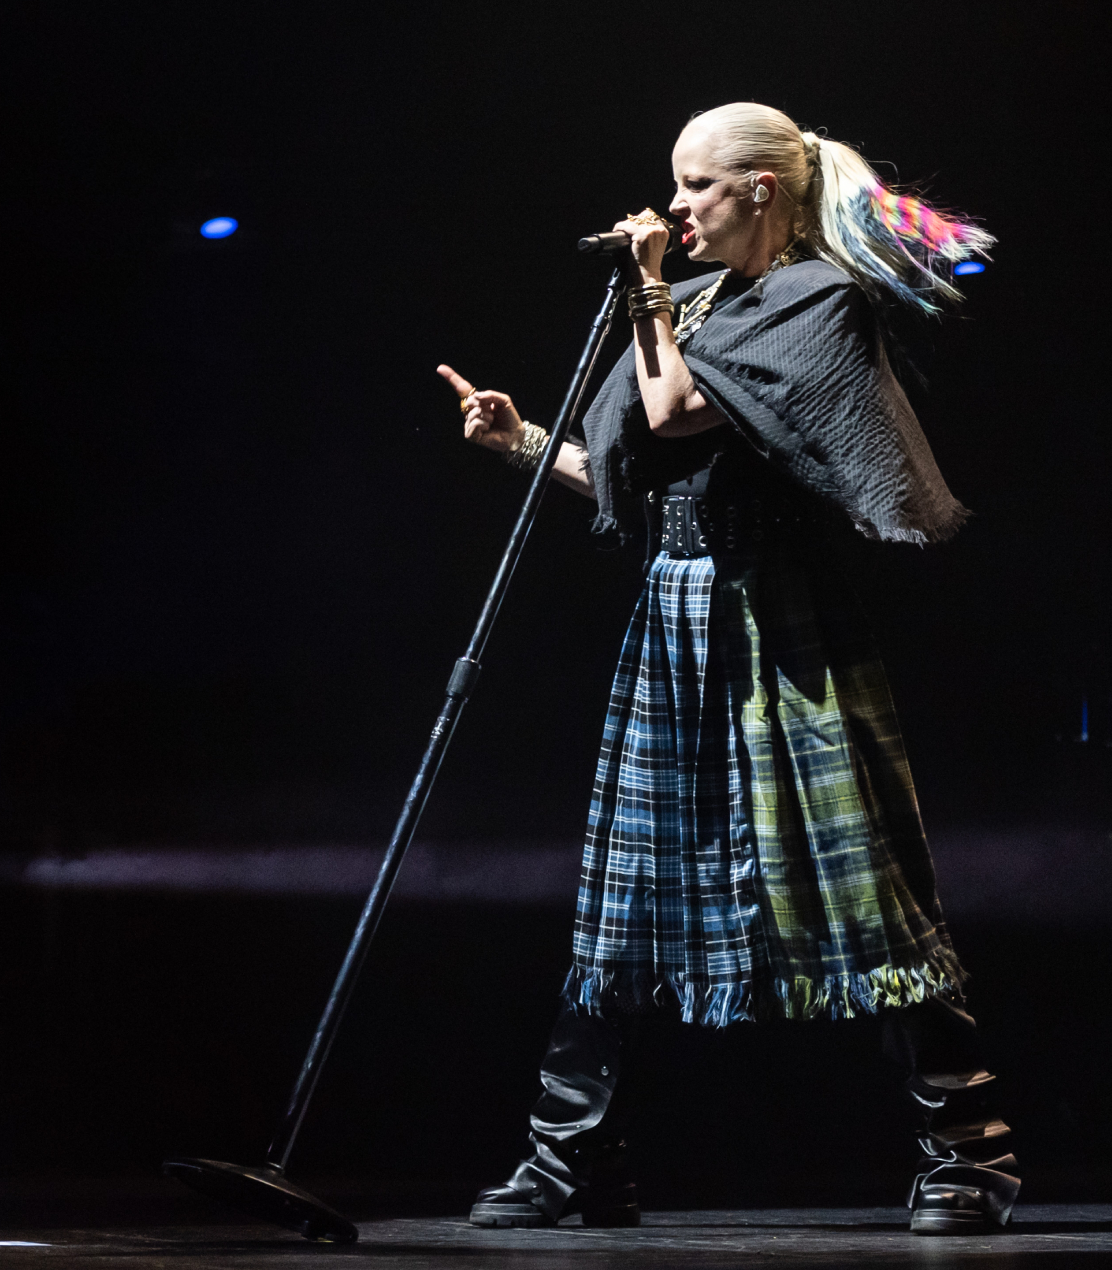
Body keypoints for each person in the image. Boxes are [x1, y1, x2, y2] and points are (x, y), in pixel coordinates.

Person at [434, 103, 1017, 1237]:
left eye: (697, 187)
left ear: (760, 189)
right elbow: (626, 470)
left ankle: (968, 1152)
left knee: (857, 886)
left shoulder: (815, 301)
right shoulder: (686, 303)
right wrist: (514, 441)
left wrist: (647, 288)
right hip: (674, 614)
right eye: (672, 186)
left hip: (784, 626)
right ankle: (572, 1159)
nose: (673, 209)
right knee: (623, 893)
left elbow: (678, 406)